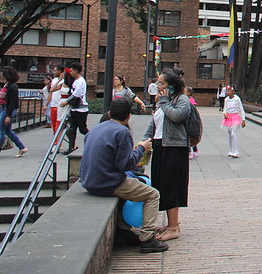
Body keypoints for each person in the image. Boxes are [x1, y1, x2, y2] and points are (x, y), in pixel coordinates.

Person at [79, 98, 168, 253]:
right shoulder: (122, 132)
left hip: (89, 180)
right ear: (128, 117)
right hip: (107, 182)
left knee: (133, 185)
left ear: (109, 113)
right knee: (153, 194)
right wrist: (141, 148)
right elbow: (125, 165)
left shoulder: (95, 129)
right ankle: (148, 238)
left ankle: (123, 231)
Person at [143, 67, 191, 242]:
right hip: (160, 145)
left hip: (174, 147)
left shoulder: (182, 100)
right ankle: (172, 224)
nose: (157, 85)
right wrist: (144, 141)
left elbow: (177, 116)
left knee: (172, 186)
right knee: (161, 184)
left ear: (171, 85)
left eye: (161, 83)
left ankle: (173, 228)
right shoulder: (164, 101)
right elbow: (155, 122)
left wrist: (163, 101)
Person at [62, 62, 89, 155]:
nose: (71, 72)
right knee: (72, 129)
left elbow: (77, 94)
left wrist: (67, 101)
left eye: (72, 70)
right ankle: (71, 147)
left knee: (82, 129)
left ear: (76, 71)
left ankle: (92, 140)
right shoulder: (75, 81)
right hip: (74, 109)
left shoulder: (81, 81)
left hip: (81, 109)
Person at [0, 66, 27, 157]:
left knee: (1, 131)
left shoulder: (13, 86)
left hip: (7, 110)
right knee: (7, 131)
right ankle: (22, 147)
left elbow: (12, 102)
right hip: (4, 108)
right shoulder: (7, 85)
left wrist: (8, 115)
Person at [222, 85, 246, 158]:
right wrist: (224, 113)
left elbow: (241, 109)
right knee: (229, 133)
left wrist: (243, 119)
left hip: (236, 116)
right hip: (229, 117)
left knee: (233, 133)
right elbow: (225, 108)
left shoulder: (237, 99)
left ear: (233, 91)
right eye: (226, 91)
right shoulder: (226, 99)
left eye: (228, 91)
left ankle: (236, 151)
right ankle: (231, 150)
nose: (227, 92)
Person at [48, 66, 64, 134]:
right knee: (53, 124)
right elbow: (51, 92)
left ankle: (57, 142)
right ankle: (55, 140)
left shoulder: (64, 80)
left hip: (59, 105)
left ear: (60, 71)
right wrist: (47, 104)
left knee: (58, 124)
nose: (54, 72)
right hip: (53, 105)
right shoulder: (54, 80)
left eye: (55, 70)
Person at [185, 87, 200, 159]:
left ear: (188, 93)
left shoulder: (190, 100)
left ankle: (192, 151)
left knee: (191, 137)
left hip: (190, 120)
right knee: (188, 137)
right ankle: (192, 150)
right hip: (188, 120)